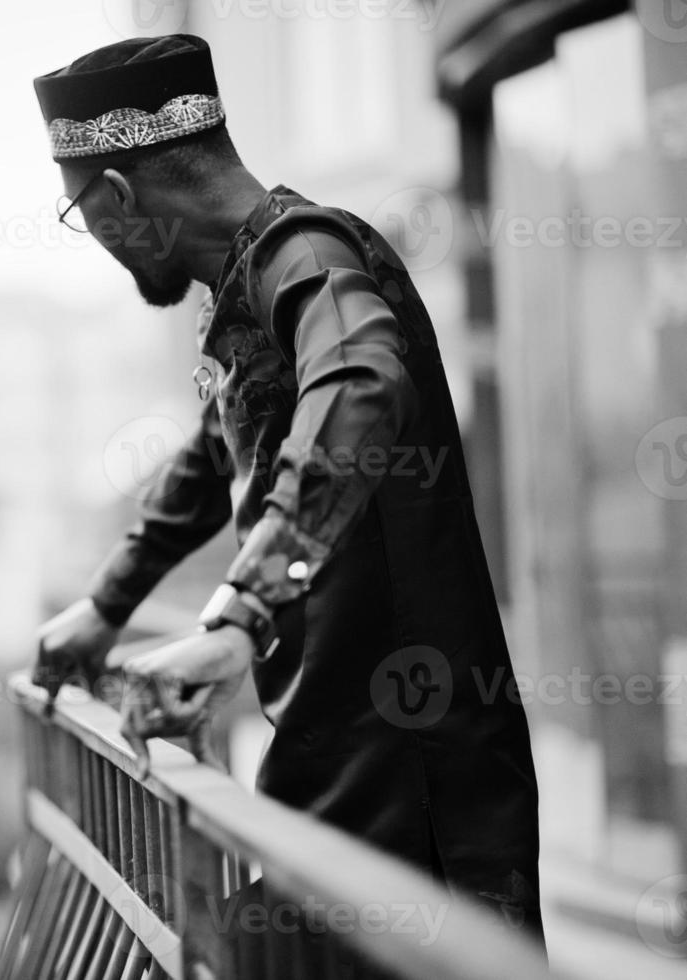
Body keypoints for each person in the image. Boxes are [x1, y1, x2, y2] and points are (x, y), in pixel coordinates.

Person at [31, 34, 544, 941]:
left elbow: (360, 384)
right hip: (334, 778)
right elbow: (205, 466)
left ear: (116, 197)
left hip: (416, 798)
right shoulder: (243, 288)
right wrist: (104, 608)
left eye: (81, 214)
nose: (96, 240)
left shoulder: (305, 254)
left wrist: (235, 617)